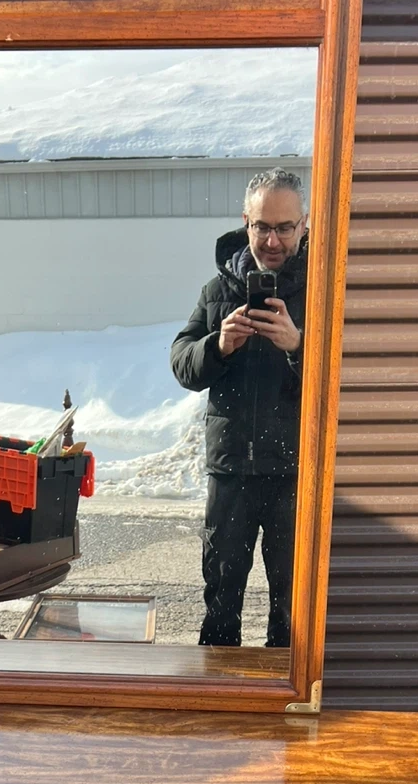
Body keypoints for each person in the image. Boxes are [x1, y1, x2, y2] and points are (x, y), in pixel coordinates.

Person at [171, 168, 307, 647]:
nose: (272, 240)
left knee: (293, 607)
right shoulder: (217, 290)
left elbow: (347, 377)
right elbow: (182, 364)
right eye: (262, 226)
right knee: (221, 599)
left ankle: (285, 690)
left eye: (284, 227)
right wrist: (218, 345)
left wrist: (299, 346)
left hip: (296, 474)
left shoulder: (323, 289)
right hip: (231, 473)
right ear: (245, 222)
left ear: (304, 225)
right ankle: (218, 686)